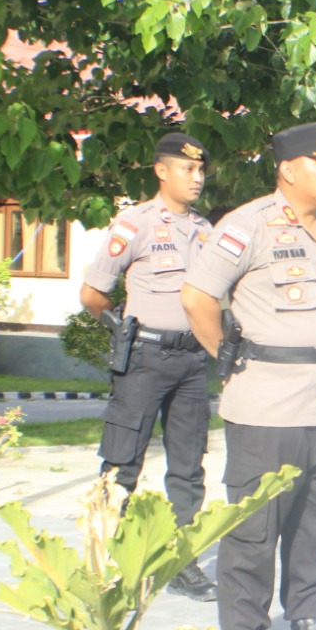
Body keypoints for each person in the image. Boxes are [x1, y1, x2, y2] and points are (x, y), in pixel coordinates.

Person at [181, 122, 316, 630]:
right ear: (288, 169)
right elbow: (196, 297)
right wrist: (226, 357)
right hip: (268, 405)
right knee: (254, 528)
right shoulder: (247, 225)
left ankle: (310, 622)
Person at [80, 132, 216, 603]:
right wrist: (124, 331)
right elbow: (93, 295)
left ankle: (181, 562)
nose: (197, 178)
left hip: (193, 362)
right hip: (145, 359)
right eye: (187, 169)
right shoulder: (133, 224)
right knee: (121, 463)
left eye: (201, 170)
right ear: (162, 171)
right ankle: (103, 562)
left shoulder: (205, 229)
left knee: (188, 468)